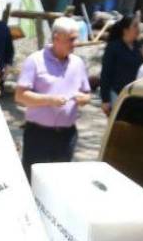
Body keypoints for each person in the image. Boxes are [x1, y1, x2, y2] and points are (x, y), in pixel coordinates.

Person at [15, 16, 92, 178]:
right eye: (71, 39)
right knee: (33, 179)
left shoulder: (77, 63)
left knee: (59, 181)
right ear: (57, 38)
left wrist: (83, 99)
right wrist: (49, 100)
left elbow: (87, 94)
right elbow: (20, 96)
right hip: (38, 135)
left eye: (76, 39)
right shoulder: (35, 61)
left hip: (66, 135)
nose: (76, 43)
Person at [98, 14, 143, 116]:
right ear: (125, 30)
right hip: (117, 95)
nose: (138, 29)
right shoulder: (113, 47)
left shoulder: (139, 46)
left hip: (134, 96)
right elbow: (105, 74)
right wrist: (105, 100)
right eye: (135, 25)